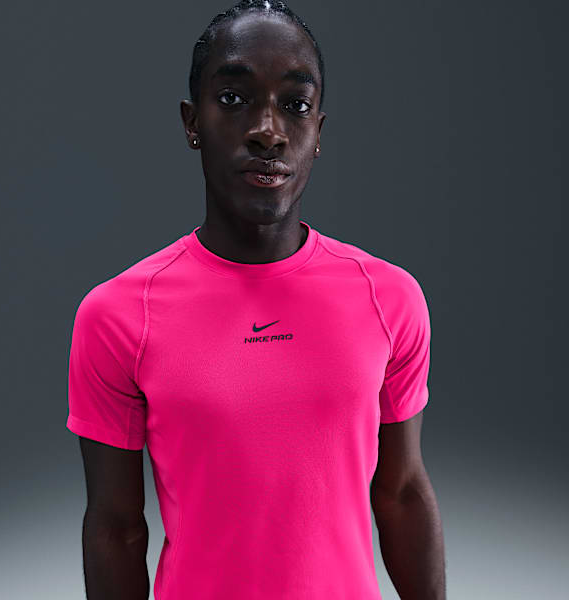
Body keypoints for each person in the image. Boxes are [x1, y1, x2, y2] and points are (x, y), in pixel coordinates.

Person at [66, 1, 446, 598]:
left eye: (296, 105)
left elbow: (401, 493)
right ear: (192, 122)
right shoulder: (118, 315)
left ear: (318, 133)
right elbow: (115, 528)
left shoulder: (389, 298)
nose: (268, 130)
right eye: (233, 98)